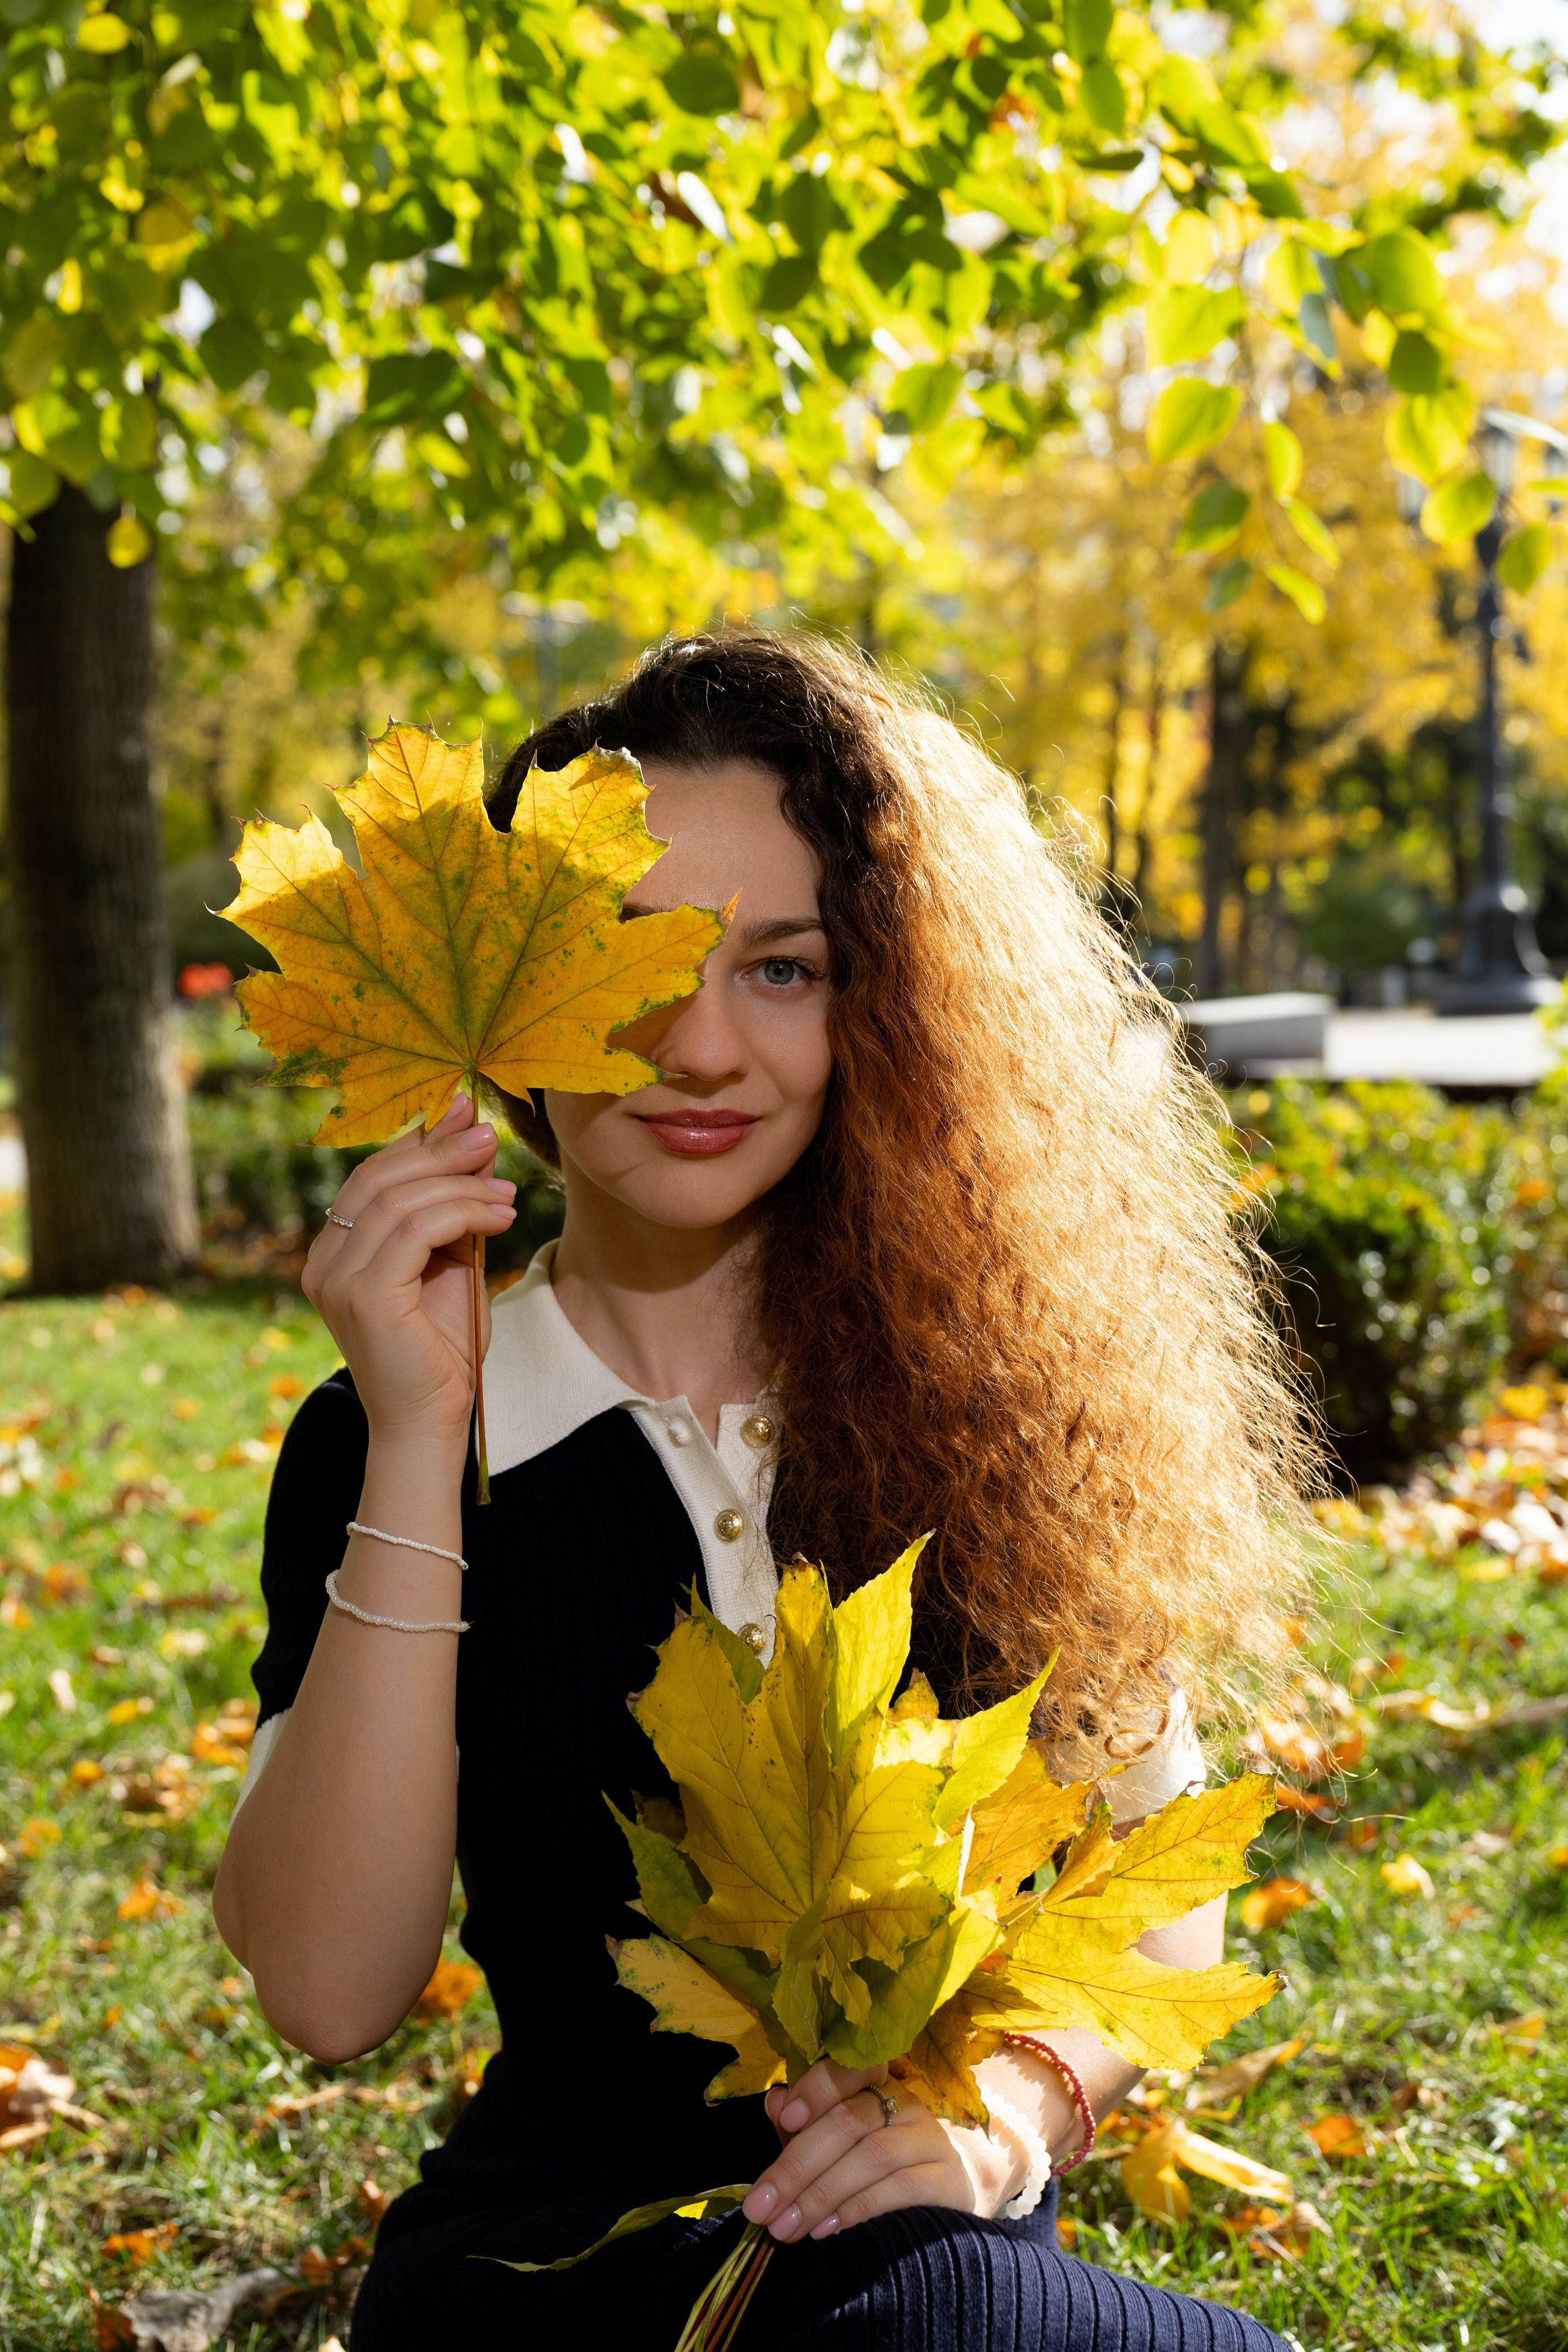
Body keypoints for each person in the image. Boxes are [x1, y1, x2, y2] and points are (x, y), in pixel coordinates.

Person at [214, 632, 1310, 2350]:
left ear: (884, 1005)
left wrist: (1012, 2118)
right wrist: (425, 1433)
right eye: (629, 965)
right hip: (556, 2267)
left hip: (947, 2270)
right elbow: (327, 1988)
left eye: (785, 970)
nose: (703, 1046)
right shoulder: (393, 1433)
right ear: (511, 1011)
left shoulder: (1001, 1404)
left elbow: (1160, 1891)